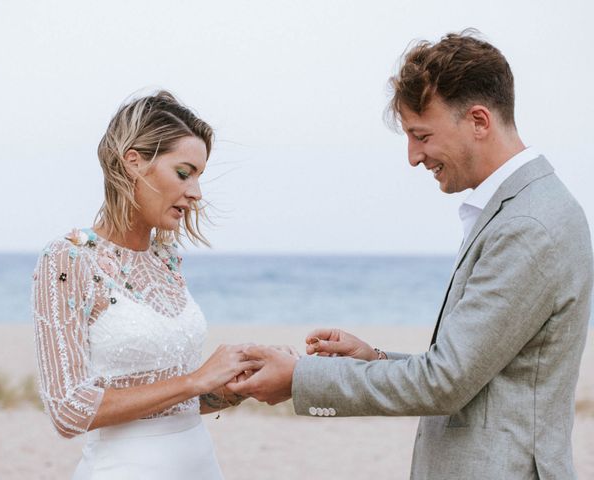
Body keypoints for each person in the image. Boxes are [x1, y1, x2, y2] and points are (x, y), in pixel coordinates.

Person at [227, 31, 593, 479]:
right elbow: (473, 371)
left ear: (479, 120)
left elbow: (445, 384)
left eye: (421, 135)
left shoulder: (529, 224)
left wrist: (299, 378)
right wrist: (374, 358)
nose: (413, 157)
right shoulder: (524, 209)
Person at [32, 90, 261, 479]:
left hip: (200, 465)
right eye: (184, 173)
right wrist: (194, 380)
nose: (196, 193)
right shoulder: (68, 259)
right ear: (134, 163)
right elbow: (68, 410)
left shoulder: (166, 259)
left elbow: (177, 402)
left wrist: (233, 387)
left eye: (200, 177)